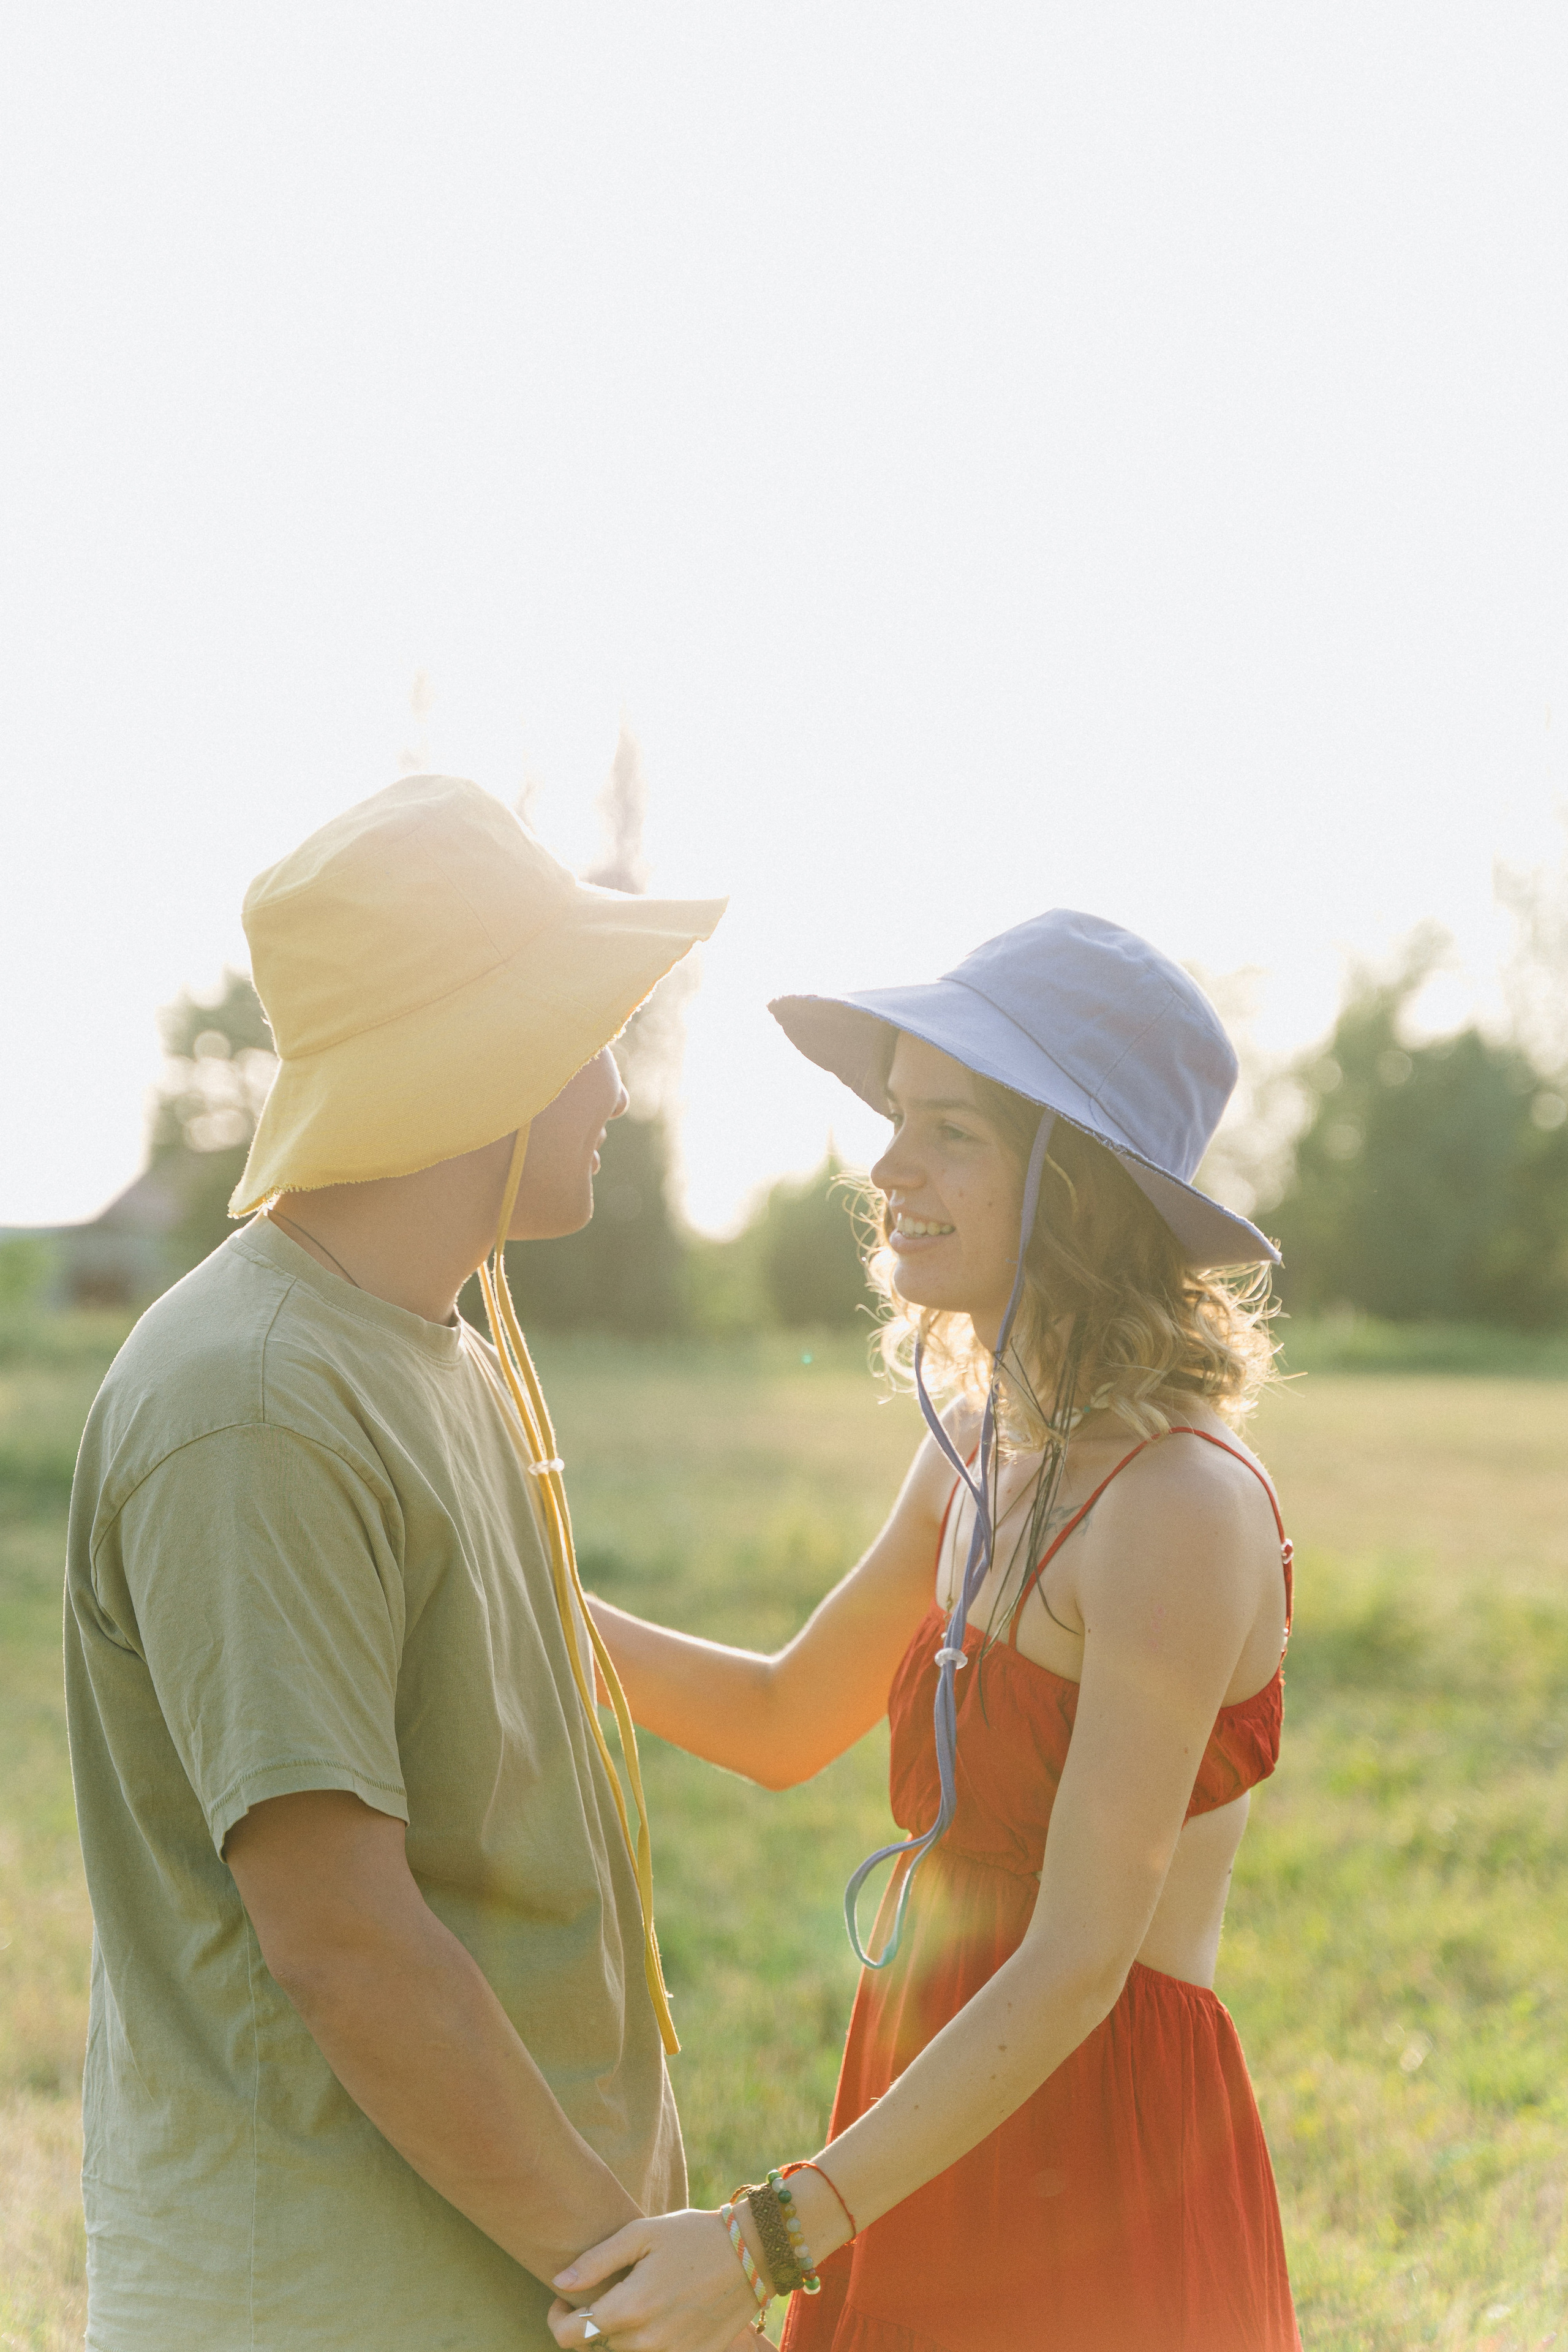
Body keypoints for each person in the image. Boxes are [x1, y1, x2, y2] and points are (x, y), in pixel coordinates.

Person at [547, 910, 1302, 2352]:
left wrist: (765, 2239)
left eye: (946, 1130)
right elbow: (779, 1720)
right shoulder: (971, 1439)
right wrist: (512, 1588)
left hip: (1093, 2149)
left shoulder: (1175, 1510)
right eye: (894, 1118)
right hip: (919, 2106)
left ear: (1075, 1189)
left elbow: (1083, 1956)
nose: (884, 1166)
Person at [64, 774, 726, 2350]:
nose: (615, 1095)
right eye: (586, 1034)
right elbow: (345, 1945)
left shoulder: (440, 1348)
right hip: (323, 2301)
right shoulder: (253, 1399)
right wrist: (641, 2282)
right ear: (484, 1060)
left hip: (491, 2281)